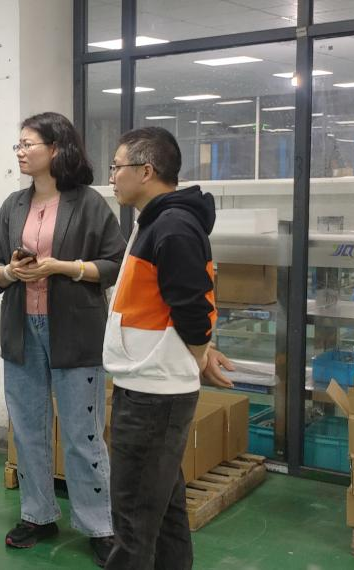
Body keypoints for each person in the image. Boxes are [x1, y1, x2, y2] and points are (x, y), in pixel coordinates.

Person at [0, 112, 125, 565]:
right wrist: (12, 272)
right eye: (19, 145)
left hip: (75, 331)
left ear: (56, 149)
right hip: (21, 329)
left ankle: (99, 525)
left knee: (83, 435)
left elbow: (114, 264)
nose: (21, 152)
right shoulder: (13, 205)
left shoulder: (89, 204)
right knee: (28, 430)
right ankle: (38, 515)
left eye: (28, 144)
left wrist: (62, 268)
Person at [102, 126, 235, 569]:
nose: (112, 177)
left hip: (154, 396)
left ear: (146, 170)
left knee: (133, 522)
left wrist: (197, 352)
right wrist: (199, 352)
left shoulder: (172, 226)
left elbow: (192, 307)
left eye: (117, 167)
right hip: (148, 385)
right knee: (163, 511)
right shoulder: (156, 220)